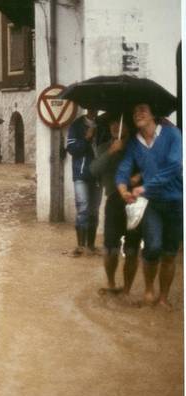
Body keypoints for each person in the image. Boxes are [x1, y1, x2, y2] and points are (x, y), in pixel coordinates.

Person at [115, 103, 182, 309]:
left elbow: (174, 165)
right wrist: (123, 188)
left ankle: (163, 297)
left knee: (170, 253)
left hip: (177, 201)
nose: (138, 114)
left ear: (154, 113)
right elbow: (124, 167)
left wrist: (144, 187)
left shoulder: (173, 134)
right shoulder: (134, 143)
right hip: (152, 203)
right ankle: (149, 290)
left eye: (143, 110)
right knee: (152, 247)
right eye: (134, 112)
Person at [89, 113, 141, 299]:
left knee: (132, 249)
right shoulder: (104, 147)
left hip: (134, 201)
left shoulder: (137, 146)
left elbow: (148, 168)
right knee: (110, 248)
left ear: (127, 126)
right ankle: (111, 282)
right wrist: (112, 151)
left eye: (118, 123)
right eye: (112, 122)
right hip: (113, 200)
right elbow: (94, 169)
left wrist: (138, 178)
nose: (114, 126)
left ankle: (127, 289)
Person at [66, 109, 102, 256]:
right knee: (83, 208)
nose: (94, 109)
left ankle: (91, 246)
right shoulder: (76, 125)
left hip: (98, 174)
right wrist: (87, 138)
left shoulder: (103, 124)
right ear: (87, 107)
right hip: (81, 174)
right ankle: (80, 246)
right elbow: (72, 149)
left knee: (94, 210)